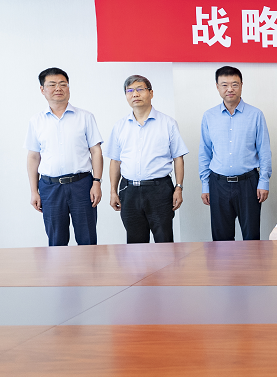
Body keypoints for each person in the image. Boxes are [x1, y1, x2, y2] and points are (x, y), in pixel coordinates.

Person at [106, 75, 188, 243]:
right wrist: (113, 191)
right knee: (135, 244)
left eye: (140, 89)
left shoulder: (168, 123)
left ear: (151, 93)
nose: (135, 94)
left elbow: (178, 158)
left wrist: (178, 187)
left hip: (159, 190)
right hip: (129, 191)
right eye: (130, 90)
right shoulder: (120, 126)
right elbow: (115, 161)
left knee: (164, 241)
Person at [25, 67, 103, 246]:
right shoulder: (36, 121)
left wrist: (97, 182)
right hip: (50, 187)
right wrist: (34, 191)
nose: (58, 88)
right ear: (42, 89)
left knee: (87, 239)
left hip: (82, 185)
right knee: (56, 241)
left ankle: (89, 266)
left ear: (68, 87)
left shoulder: (85, 117)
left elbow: (96, 151)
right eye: (52, 84)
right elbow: (33, 157)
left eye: (63, 84)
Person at [199, 66, 272, 241]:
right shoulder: (209, 116)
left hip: (248, 184)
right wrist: (205, 185)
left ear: (241, 85)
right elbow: (205, 152)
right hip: (218, 184)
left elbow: (264, 150)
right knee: (221, 240)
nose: (230, 89)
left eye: (234, 84)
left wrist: (264, 181)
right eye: (224, 85)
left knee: (251, 237)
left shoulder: (255, 115)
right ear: (217, 87)